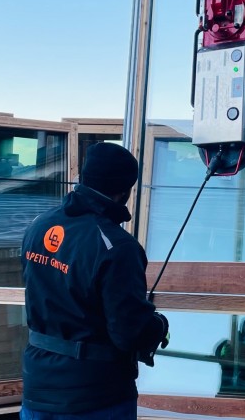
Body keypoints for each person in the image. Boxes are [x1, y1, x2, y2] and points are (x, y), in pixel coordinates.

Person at [21, 142, 169, 420]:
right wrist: (159, 326)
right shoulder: (117, 247)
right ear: (125, 191)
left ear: (84, 178)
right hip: (94, 398)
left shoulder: (39, 226)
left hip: (37, 387)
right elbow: (128, 333)